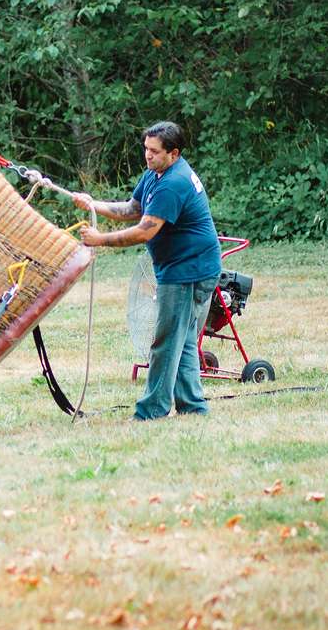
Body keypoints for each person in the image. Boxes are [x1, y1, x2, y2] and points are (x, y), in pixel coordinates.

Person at [72, 121, 221, 421]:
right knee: (184, 340)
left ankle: (152, 410)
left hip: (189, 271)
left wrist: (100, 240)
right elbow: (133, 209)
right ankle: (192, 406)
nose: (148, 156)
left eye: (154, 151)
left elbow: (144, 232)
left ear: (174, 153)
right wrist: (93, 204)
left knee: (166, 340)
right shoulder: (156, 174)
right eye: (145, 149)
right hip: (183, 267)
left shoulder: (173, 183)